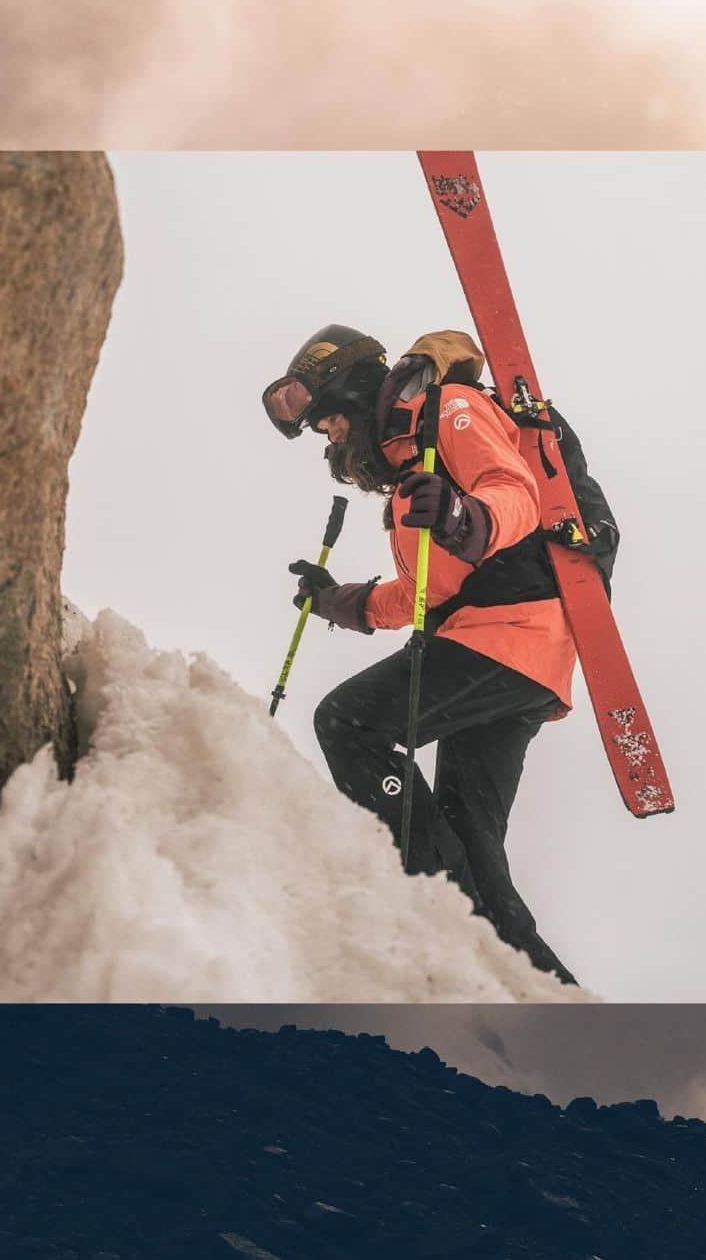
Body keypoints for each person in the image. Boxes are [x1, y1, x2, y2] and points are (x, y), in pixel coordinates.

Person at [262, 324, 578, 985]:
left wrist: (470, 518)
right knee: (472, 836)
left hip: (504, 635)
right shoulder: (414, 472)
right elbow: (419, 596)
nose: (333, 441)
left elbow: (513, 488)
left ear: (350, 391)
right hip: (516, 658)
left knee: (347, 722)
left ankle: (439, 900)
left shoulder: (448, 411)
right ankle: (537, 986)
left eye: (330, 425)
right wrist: (333, 602)